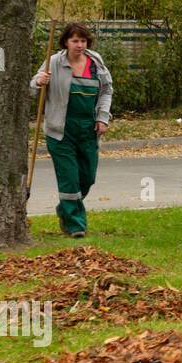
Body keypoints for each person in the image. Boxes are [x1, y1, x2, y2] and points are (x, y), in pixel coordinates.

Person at [31, 22, 113, 238]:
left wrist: (103, 117)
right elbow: (33, 85)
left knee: (87, 178)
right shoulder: (55, 62)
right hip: (60, 131)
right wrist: (40, 81)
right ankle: (75, 225)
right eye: (75, 40)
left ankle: (65, 209)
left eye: (83, 41)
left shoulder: (95, 62)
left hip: (88, 130)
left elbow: (106, 90)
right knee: (70, 179)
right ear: (65, 42)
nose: (79, 45)